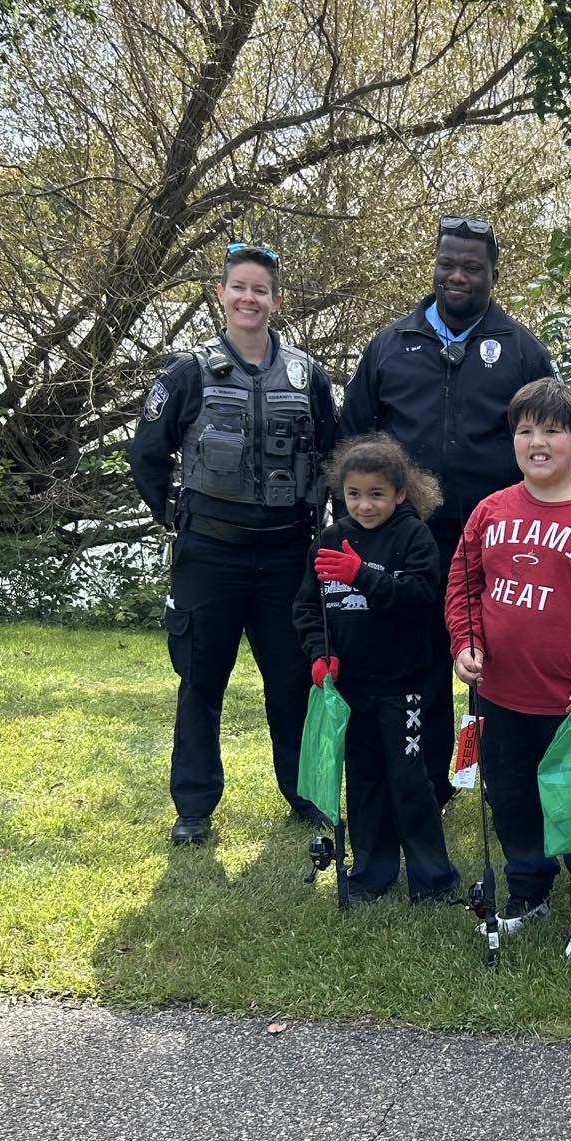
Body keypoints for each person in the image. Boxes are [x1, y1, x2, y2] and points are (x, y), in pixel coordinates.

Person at [338, 217, 553, 806]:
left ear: (494, 274)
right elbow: (353, 441)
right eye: (447, 264)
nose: (457, 276)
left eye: (472, 267)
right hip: (412, 541)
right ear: (433, 265)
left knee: (499, 662)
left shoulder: (522, 350)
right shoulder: (390, 345)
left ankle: (505, 785)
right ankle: (432, 783)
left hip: (500, 540)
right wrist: (357, 527)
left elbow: (555, 443)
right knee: (423, 662)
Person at [128, 242, 337, 846]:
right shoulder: (186, 372)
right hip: (209, 555)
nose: (250, 298)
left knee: (292, 680)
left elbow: (334, 455)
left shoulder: (307, 375)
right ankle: (193, 807)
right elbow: (147, 453)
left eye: (261, 289)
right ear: (220, 294)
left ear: (275, 299)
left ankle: (303, 795)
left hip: (285, 556)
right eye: (239, 287)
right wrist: (173, 513)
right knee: (200, 680)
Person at [446, 378, 571, 961]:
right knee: (511, 801)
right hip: (500, 696)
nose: (537, 442)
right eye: (525, 431)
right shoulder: (491, 510)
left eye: (551, 431)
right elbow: (463, 585)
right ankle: (529, 891)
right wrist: (465, 643)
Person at [291, 435, 459, 907]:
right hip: (351, 688)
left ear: (401, 493)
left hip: (403, 684)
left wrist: (360, 574)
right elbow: (309, 607)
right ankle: (370, 873)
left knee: (409, 780)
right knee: (363, 781)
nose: (364, 505)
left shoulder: (413, 536)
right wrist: (319, 653)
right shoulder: (328, 538)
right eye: (354, 495)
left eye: (376, 494)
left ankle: (433, 877)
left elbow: (422, 598)